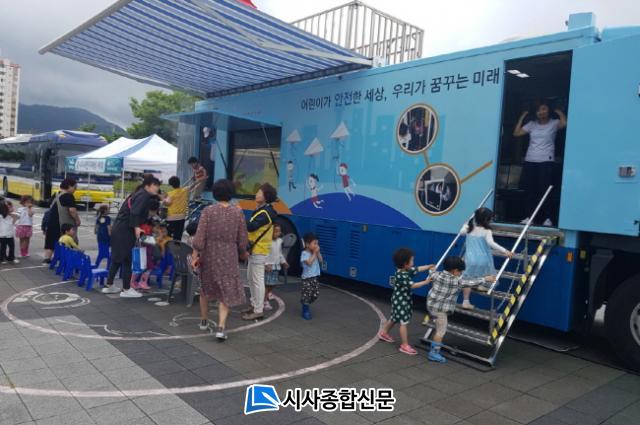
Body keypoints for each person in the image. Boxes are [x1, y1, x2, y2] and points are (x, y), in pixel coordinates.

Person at [191, 179, 249, 341]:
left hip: (209, 254)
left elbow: (199, 238)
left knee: (205, 288)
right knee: (225, 290)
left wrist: (195, 255)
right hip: (229, 256)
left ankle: (203, 321)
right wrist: (242, 252)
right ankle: (221, 327)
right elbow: (242, 239)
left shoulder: (208, 211)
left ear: (215, 194)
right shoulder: (238, 213)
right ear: (231, 194)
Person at [101, 175, 161, 298]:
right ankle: (126, 289)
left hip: (119, 228)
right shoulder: (144, 195)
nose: (157, 188)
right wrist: (137, 227)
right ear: (148, 185)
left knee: (117, 258)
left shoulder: (138, 194)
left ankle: (109, 285)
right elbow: (135, 212)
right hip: (125, 230)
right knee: (127, 259)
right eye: (155, 185)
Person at [427, 256, 495, 363]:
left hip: (431, 305)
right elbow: (470, 283)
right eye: (460, 272)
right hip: (440, 311)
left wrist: (432, 269)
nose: (460, 273)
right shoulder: (456, 281)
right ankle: (434, 352)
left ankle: (436, 344)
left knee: (438, 326)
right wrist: (485, 279)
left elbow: (431, 272)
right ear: (454, 271)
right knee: (440, 331)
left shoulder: (437, 274)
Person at [513, 103, 567, 226]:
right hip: (530, 160)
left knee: (545, 190)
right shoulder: (532, 124)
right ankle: (529, 217)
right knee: (530, 191)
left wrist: (559, 111)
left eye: (544, 109)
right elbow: (516, 133)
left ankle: (548, 218)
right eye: (538, 110)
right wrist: (522, 117)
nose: (541, 112)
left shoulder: (554, 123)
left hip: (546, 161)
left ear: (548, 110)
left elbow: (564, 124)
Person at [378, 248, 434, 355]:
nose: (413, 262)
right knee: (404, 322)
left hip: (399, 299)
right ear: (405, 264)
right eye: (412, 260)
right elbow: (412, 285)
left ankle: (383, 333)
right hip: (401, 301)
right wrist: (425, 282)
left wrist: (428, 266)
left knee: (394, 317)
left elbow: (418, 269)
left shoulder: (405, 270)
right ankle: (404, 345)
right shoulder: (402, 275)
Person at [460, 207, 513, 310]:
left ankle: (465, 301)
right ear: (486, 219)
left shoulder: (469, 228)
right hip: (483, 258)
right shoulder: (487, 231)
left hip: (469, 259)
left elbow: (461, 232)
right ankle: (481, 285)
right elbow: (491, 243)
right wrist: (505, 251)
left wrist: (465, 224)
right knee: (484, 274)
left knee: (467, 279)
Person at [243, 183, 278, 321]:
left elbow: (251, 227)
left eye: (259, 192)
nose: (256, 194)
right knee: (251, 278)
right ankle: (254, 305)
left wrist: (239, 215)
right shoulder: (262, 210)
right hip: (255, 249)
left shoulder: (266, 213)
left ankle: (258, 310)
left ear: (266, 196)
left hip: (259, 250)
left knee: (257, 280)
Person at [43, 178, 81, 263]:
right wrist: (77, 220)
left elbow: (50, 206)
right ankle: (66, 260)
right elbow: (72, 211)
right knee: (67, 241)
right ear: (69, 186)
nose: (75, 190)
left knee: (51, 241)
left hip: (51, 222)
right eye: (74, 187)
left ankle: (47, 259)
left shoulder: (56, 194)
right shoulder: (68, 196)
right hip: (63, 224)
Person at [263, 223, 288, 311]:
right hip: (269, 267)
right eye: (275, 231)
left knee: (273, 284)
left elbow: (280, 253)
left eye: (279, 231)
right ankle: (265, 301)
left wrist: (284, 262)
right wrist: (266, 264)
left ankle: (268, 294)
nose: (278, 233)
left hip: (276, 266)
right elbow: (264, 253)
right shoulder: (267, 241)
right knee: (267, 285)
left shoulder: (280, 241)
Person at [300, 232, 323, 320]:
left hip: (314, 277)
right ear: (307, 244)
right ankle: (305, 311)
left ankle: (304, 302)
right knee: (307, 295)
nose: (316, 245)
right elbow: (309, 263)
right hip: (307, 278)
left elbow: (321, 260)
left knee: (315, 294)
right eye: (314, 243)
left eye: (317, 243)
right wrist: (314, 254)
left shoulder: (315, 253)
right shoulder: (304, 254)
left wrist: (318, 253)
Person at [163, 176, 189, 240]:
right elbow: (192, 186)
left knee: (168, 236)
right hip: (181, 218)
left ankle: (168, 246)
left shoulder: (170, 194)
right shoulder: (184, 190)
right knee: (178, 236)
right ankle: (177, 246)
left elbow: (168, 204)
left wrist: (163, 200)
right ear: (179, 183)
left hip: (171, 218)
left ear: (171, 185)